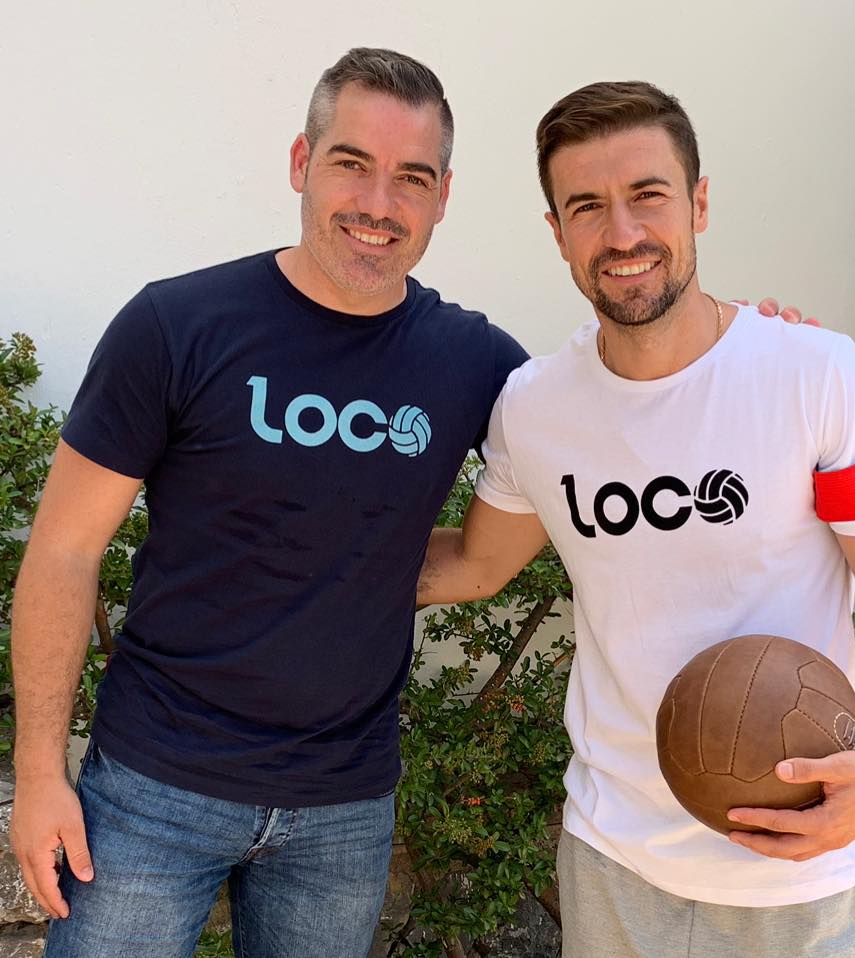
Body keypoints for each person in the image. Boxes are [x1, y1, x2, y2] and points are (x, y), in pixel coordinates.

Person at [11, 49, 804, 957]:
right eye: (351, 164)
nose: (378, 205)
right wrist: (41, 774)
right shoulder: (175, 326)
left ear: (442, 195)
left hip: (343, 810)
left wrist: (750, 348)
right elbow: (65, 552)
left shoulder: (476, 364)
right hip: (152, 789)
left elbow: (629, 414)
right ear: (302, 164)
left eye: (411, 178)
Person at [416, 80, 855, 958]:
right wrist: (297, 564)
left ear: (698, 202)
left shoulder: (816, 378)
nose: (621, 234)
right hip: (615, 863)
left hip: (799, 867)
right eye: (585, 206)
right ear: (556, 232)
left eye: (647, 196)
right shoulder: (534, 409)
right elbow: (474, 565)